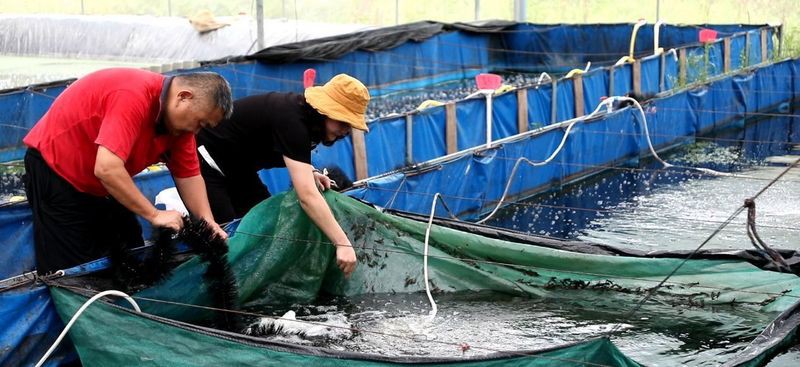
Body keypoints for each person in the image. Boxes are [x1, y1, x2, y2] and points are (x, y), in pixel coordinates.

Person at [23, 68, 233, 275]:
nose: (196, 131)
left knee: (130, 249)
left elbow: (189, 175)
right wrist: (154, 214)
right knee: (72, 267)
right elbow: (107, 168)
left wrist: (207, 222)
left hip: (102, 183)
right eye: (200, 123)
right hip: (58, 170)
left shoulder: (180, 127)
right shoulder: (133, 96)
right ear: (183, 97)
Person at [196, 74, 369, 278]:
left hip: (239, 168)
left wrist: (310, 171)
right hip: (206, 162)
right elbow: (307, 197)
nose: (345, 131)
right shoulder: (292, 120)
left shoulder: (305, 121)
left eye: (349, 126)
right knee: (227, 239)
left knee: (264, 227)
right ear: (325, 111)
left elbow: (288, 151)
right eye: (342, 122)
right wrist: (342, 243)